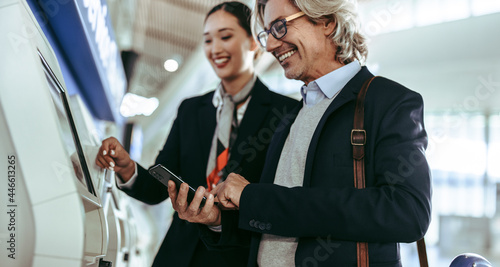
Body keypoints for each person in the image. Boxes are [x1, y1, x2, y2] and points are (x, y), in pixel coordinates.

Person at [168, 0, 432, 266]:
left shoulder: (389, 102)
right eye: (267, 33)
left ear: (327, 21)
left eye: (280, 27)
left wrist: (254, 198)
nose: (270, 45)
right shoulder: (291, 116)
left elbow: (407, 212)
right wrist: (216, 221)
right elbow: (274, 223)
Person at [95, 1, 298, 266]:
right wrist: (127, 169)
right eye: (207, 40)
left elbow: (281, 202)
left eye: (225, 36)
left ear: (253, 43)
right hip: (178, 254)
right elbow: (159, 187)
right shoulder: (191, 110)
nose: (215, 49)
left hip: (237, 256)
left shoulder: (286, 113)